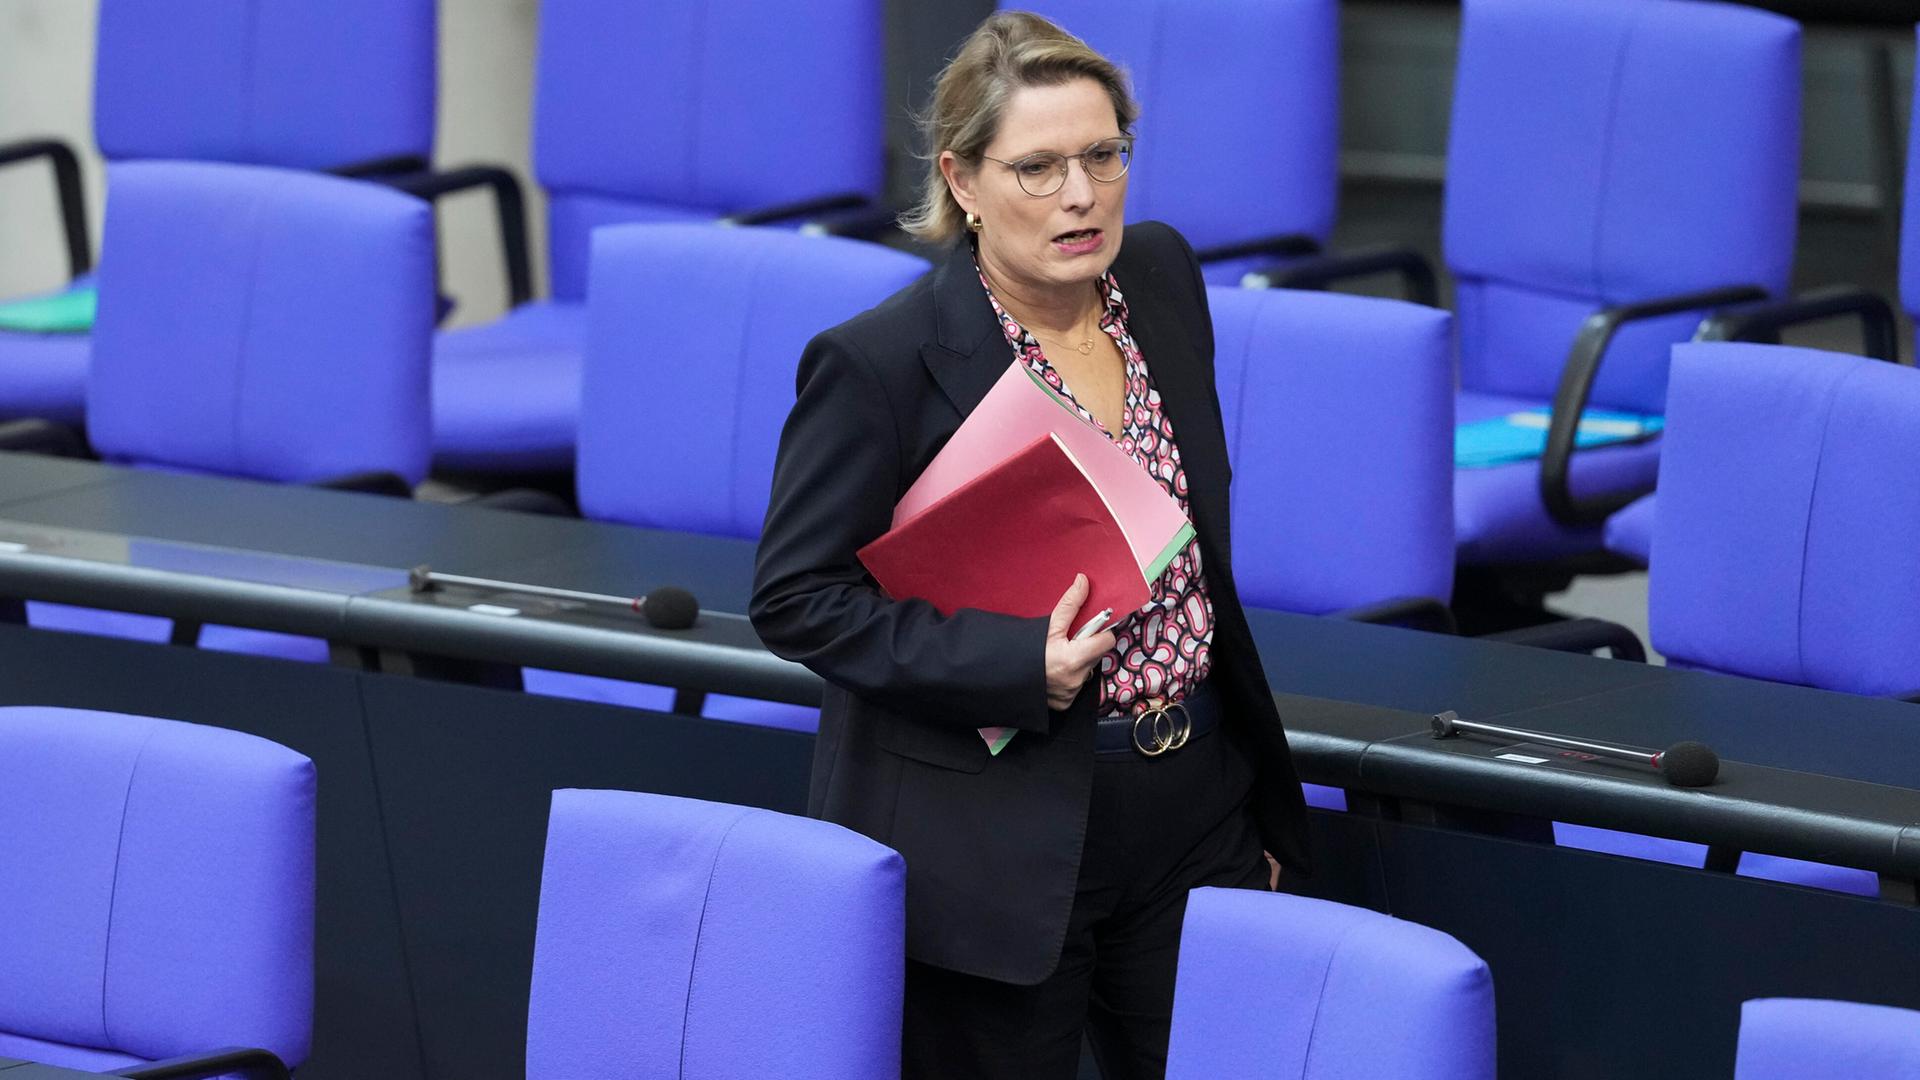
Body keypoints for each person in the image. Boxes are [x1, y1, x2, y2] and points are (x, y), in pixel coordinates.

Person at [750, 11, 1309, 1079]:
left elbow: (1197, 558)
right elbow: (796, 597)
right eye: (1037, 168)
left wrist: (1246, 796)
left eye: (1104, 156)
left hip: (1192, 798)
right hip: (999, 833)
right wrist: (1015, 667)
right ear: (961, 181)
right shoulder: (882, 362)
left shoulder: (1161, 277)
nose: (1080, 197)